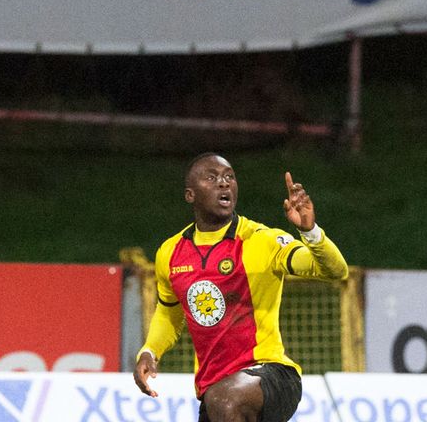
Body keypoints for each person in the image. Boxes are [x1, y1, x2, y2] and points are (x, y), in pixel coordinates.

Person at [133, 152, 348, 422]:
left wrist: (310, 232)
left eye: (229, 177)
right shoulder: (170, 253)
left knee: (225, 400)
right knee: (222, 400)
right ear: (190, 195)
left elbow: (335, 270)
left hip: (272, 376)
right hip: (216, 390)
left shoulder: (261, 240)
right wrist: (150, 352)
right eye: (212, 178)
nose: (224, 183)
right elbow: (168, 312)